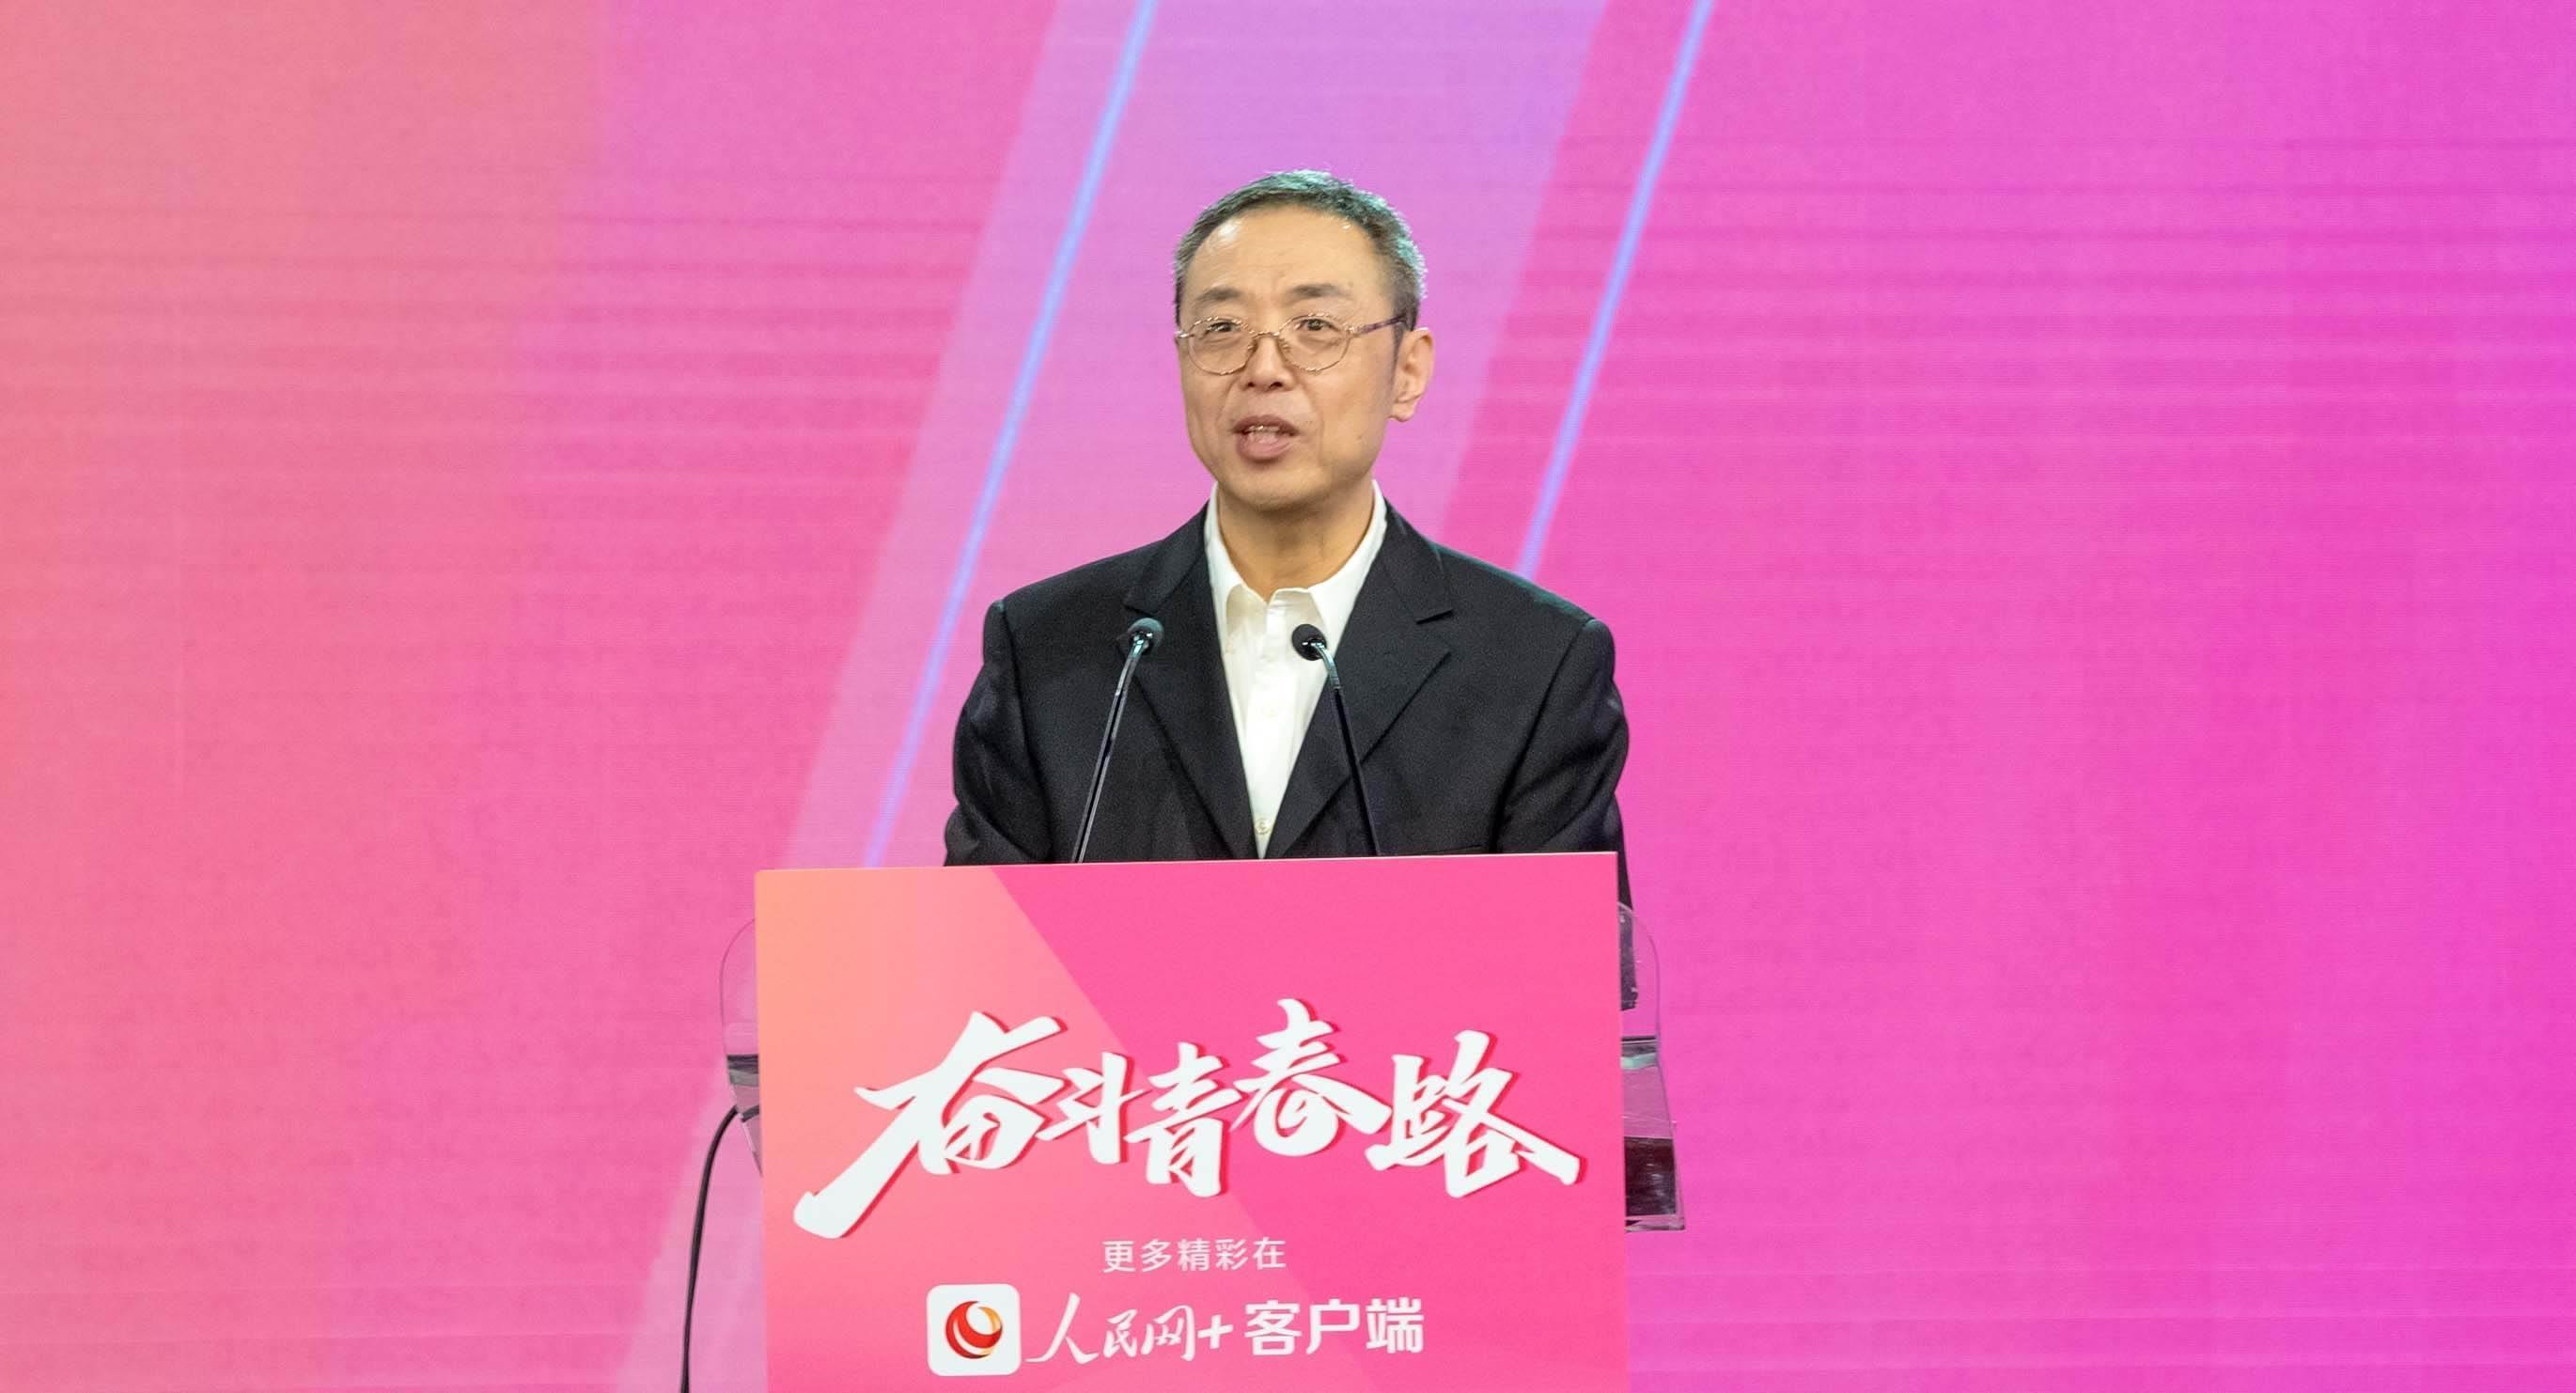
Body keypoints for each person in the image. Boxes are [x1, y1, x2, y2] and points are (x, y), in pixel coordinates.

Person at [945, 169, 1631, 903]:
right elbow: (984, 951)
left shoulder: (1534, 664)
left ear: (1407, 370)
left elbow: (1570, 961)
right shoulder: (1046, 648)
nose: (1263, 370)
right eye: (1221, 330)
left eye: (1315, 328)